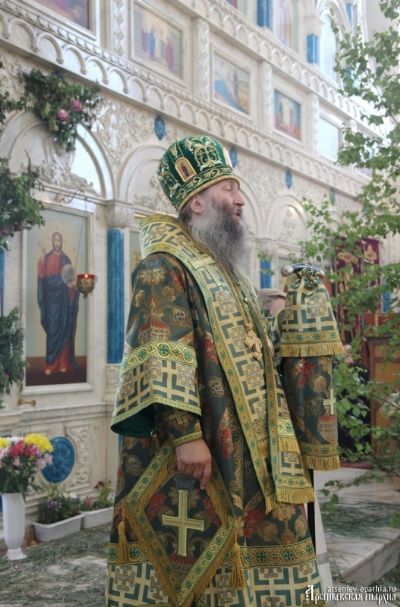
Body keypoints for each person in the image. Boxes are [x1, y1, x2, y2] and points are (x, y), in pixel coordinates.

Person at [105, 135, 342, 607]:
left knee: (272, 554)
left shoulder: (225, 270)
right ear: (196, 202)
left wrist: (282, 315)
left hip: (257, 451)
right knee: (204, 568)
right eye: (227, 188)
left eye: (237, 188)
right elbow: (161, 350)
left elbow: (244, 349)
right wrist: (185, 435)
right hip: (209, 444)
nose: (239, 199)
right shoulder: (164, 265)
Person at [37, 231, 79, 375]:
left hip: (63, 300)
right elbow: (42, 277)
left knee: (64, 328)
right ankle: (50, 364)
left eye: (58, 240)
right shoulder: (47, 257)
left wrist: (72, 286)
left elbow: (71, 280)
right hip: (50, 301)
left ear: (61, 242)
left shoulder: (66, 260)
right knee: (52, 331)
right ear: (52, 241)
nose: (56, 243)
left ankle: (63, 362)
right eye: (54, 240)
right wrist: (42, 259)